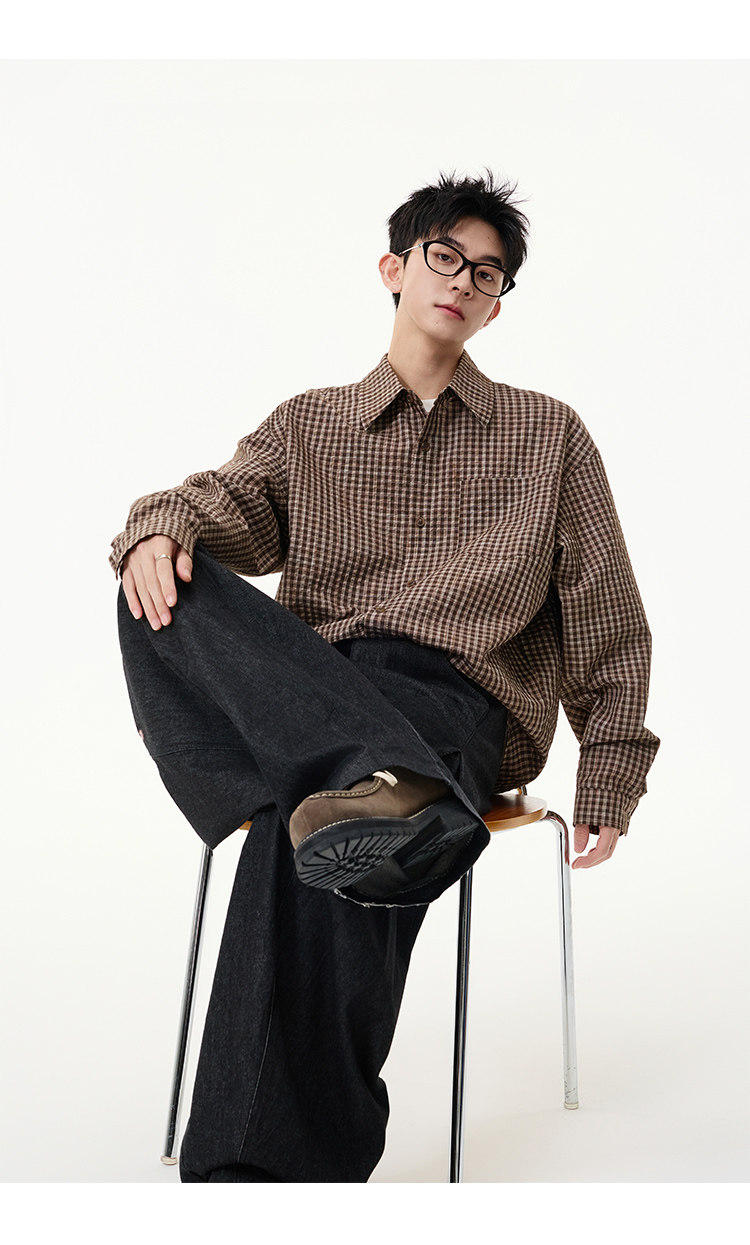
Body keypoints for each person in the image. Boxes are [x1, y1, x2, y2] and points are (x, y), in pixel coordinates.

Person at [111, 170, 660, 1181]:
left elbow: (607, 617)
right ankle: (375, 790)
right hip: (316, 694)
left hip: (457, 702)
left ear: (496, 307)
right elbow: (215, 506)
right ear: (394, 269)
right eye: (445, 257)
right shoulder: (309, 425)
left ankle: (247, 1175)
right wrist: (158, 528)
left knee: (313, 819)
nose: (462, 281)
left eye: (486, 274)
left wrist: (612, 768)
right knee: (157, 578)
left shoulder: (550, 436)